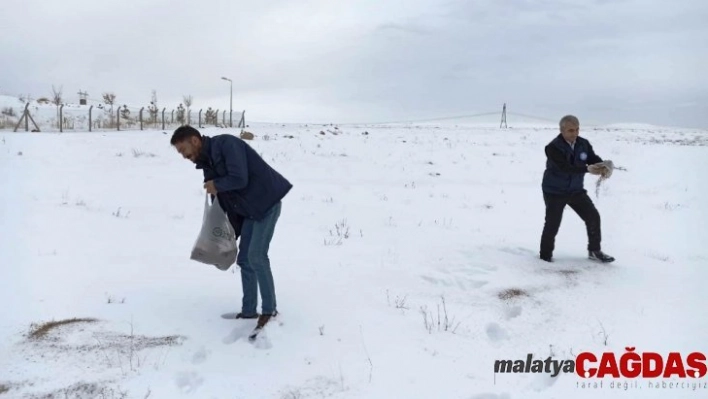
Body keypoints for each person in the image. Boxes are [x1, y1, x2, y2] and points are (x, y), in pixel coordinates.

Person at [171, 126, 292, 329]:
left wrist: (216, 185)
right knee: (244, 259)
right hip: (249, 210)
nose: (184, 156)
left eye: (183, 150)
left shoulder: (227, 144)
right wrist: (228, 235)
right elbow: (225, 203)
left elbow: (239, 178)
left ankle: (270, 311)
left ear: (194, 140)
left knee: (256, 256)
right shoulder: (206, 164)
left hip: (266, 202)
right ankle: (249, 311)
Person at [539, 115, 615, 263]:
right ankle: (545, 257)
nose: (575, 133)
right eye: (571, 130)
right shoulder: (552, 148)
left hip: (575, 190)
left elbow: (592, 159)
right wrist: (588, 169)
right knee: (552, 223)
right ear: (562, 130)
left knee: (593, 216)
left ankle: (594, 251)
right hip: (555, 190)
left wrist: (604, 165)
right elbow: (565, 167)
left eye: (577, 129)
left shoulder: (583, 144)